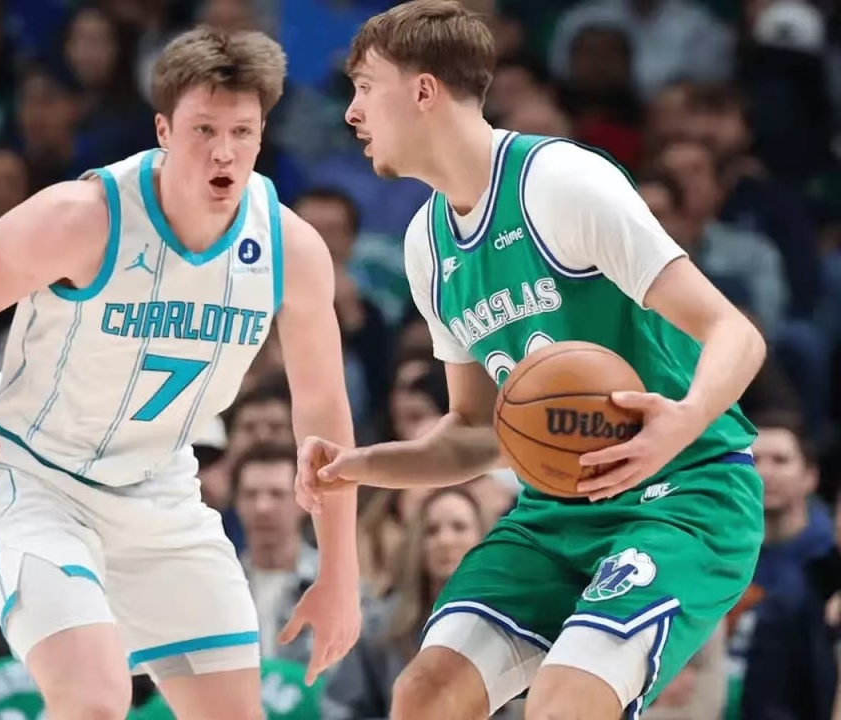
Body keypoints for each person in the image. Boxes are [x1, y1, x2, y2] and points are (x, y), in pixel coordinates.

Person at [297, 2, 766, 719]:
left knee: (565, 702)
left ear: (422, 91)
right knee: (423, 695)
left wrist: (683, 419)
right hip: (555, 510)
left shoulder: (560, 182)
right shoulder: (427, 245)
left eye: (365, 87)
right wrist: (358, 466)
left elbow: (735, 331)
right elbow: (476, 433)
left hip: (683, 494)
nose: (352, 112)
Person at [0, 25, 361, 720]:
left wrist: (340, 569)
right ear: (163, 130)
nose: (224, 152)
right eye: (203, 130)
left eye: (242, 132)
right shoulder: (82, 217)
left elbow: (323, 413)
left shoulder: (291, 248)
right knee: (94, 698)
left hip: (158, 488)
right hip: (32, 476)